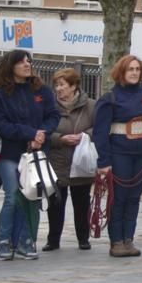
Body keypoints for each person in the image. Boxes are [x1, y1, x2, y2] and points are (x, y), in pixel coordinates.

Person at [0, 50, 62, 260]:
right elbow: (1, 124)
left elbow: (53, 115)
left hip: (35, 155)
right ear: (10, 66)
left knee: (30, 197)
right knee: (12, 196)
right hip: (10, 154)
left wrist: (42, 134)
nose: (27, 64)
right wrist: (30, 133)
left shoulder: (41, 90)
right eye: (21, 62)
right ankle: (3, 241)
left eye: (29, 61)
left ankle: (24, 240)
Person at [94, 55, 142, 258]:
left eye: (138, 69)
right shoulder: (110, 98)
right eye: (130, 69)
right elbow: (100, 133)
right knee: (119, 198)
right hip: (120, 153)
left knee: (134, 198)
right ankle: (116, 241)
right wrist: (104, 161)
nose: (135, 72)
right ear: (121, 72)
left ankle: (129, 238)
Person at [42, 68, 96, 252]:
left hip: (81, 161)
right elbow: (43, 130)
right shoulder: (49, 106)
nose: (58, 89)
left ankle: (83, 238)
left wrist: (85, 136)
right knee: (56, 202)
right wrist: (59, 138)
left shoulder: (90, 105)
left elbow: (100, 128)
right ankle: (53, 239)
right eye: (56, 85)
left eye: (62, 85)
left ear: (73, 86)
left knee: (82, 202)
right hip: (57, 160)